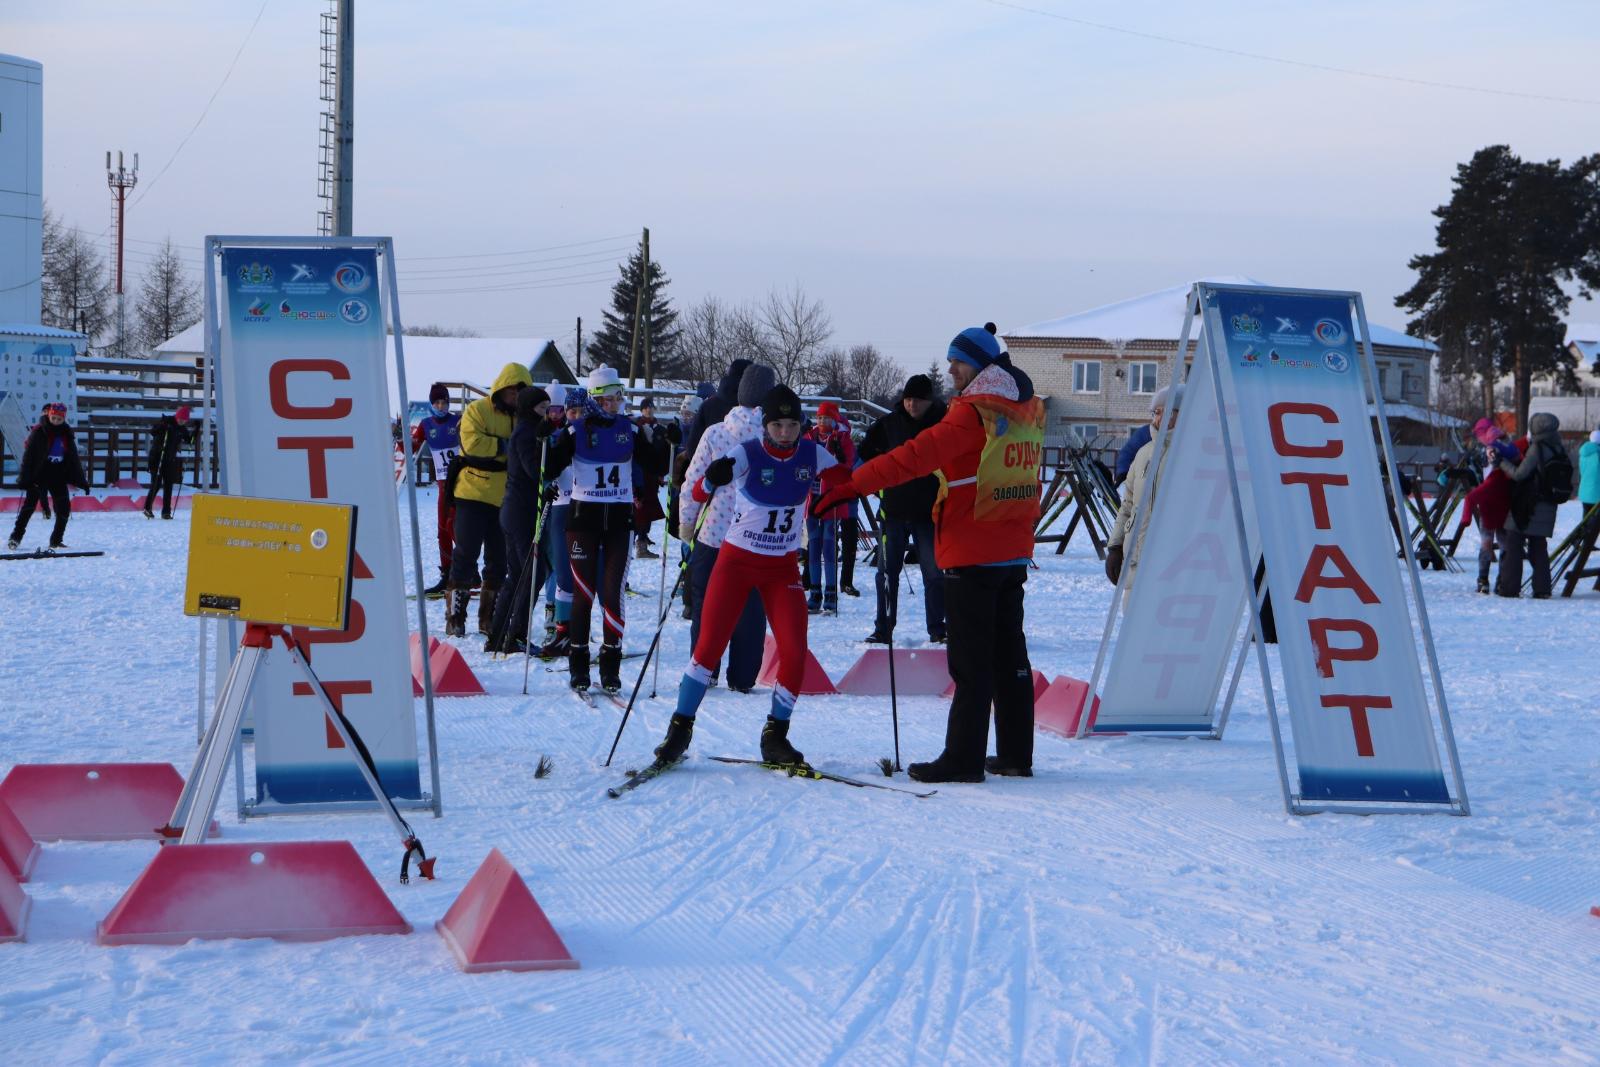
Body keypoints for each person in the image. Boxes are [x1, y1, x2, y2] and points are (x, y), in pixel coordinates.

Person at [813, 327, 1045, 783]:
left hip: (971, 549)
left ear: (980, 365)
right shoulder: (1026, 408)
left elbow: (909, 459)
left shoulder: (971, 414)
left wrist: (851, 485)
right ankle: (1017, 754)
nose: (951, 369)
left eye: (958, 361)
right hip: (1011, 549)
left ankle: (962, 759)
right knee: (1010, 657)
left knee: (971, 661)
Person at [652, 384, 842, 767]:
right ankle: (679, 730)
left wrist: (865, 487)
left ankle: (776, 735)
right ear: (765, 425)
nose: (785, 433)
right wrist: (713, 477)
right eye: (777, 425)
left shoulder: (811, 453)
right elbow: (700, 489)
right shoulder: (748, 452)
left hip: (782, 568)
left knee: (794, 650)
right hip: (736, 563)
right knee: (707, 649)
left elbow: (848, 480)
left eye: (791, 425)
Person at [545, 366, 669, 693]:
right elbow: (550, 465)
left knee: (611, 594)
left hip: (618, 522)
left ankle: (611, 665)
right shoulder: (577, 431)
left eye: (618, 398)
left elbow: (656, 466)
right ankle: (579, 665)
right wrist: (547, 453)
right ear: (595, 399)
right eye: (608, 399)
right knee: (583, 594)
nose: (614, 405)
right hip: (582, 521)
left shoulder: (628, 430)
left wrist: (665, 443)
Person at [679, 362, 779, 692]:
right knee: (751, 608)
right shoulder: (773, 438)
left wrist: (686, 523)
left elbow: (693, 482)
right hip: (756, 539)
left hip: (714, 534)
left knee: (708, 603)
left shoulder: (716, 433)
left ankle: (704, 668)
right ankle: (743, 674)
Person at [859, 374, 947, 644]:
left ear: (929, 401)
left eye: (918, 400)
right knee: (886, 574)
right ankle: (883, 628)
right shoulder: (889, 424)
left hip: (928, 514)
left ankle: (938, 628)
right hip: (893, 511)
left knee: (933, 573)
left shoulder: (943, 425)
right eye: (908, 399)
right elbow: (865, 453)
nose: (912, 405)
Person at [446, 363, 531, 637]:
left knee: (499, 561)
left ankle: (489, 619)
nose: (515, 398)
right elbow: (472, 444)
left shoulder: (525, 417)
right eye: (511, 392)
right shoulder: (477, 410)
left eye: (520, 393)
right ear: (501, 389)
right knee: (465, 555)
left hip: (506, 497)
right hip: (471, 492)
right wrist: (506, 447)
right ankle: (455, 617)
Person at [485, 385, 552, 653]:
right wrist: (544, 446)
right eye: (541, 409)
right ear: (528, 409)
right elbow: (534, 469)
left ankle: (498, 634)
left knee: (518, 573)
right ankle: (515, 634)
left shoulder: (528, 431)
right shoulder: (526, 433)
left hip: (514, 508)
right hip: (520, 510)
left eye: (548, 409)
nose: (545, 414)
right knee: (532, 572)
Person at [1105, 384, 1182, 593]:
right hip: (1136, 564)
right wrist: (1115, 547)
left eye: (1164, 412)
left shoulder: (1192, 457)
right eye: (1155, 412)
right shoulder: (1143, 454)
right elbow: (1128, 506)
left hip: (1174, 571)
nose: (1158, 418)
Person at [1497, 412, 1569, 598]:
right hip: (1549, 504)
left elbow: (1519, 474)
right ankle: (1543, 589)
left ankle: (1509, 588)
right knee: (1539, 546)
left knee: (1513, 541)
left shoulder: (1537, 448)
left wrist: (1501, 463)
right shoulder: (1559, 447)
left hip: (1528, 504)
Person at [537, 387, 586, 658]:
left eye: (581, 411)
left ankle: (580, 629)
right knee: (561, 570)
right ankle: (561, 628)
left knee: (585, 572)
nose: (576, 416)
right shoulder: (557, 436)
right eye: (572, 411)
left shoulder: (592, 435)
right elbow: (546, 468)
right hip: (560, 507)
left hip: (583, 507)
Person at [8, 403, 89, 552]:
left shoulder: (66, 433)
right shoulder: (39, 431)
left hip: (57, 473)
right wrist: (24, 478)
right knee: (29, 507)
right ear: (49, 415)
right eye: (54, 418)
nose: (56, 421)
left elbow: (73, 458)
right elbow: (28, 456)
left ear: (63, 418)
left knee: (64, 508)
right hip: (39, 473)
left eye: (59, 419)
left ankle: (56, 540)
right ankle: (15, 538)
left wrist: (81, 481)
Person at [804, 401, 857, 614]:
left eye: (826, 417)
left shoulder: (841, 438)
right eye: (819, 417)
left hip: (831, 499)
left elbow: (847, 466)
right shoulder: (810, 437)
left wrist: (839, 457)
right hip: (812, 499)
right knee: (813, 546)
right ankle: (815, 591)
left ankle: (831, 593)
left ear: (834, 419)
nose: (822, 421)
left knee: (829, 546)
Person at [411, 383, 462, 597]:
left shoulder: (457, 420)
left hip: (461, 483)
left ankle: (467, 570)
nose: (441, 405)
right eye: (437, 402)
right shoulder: (425, 424)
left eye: (444, 402)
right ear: (432, 404)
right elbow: (410, 445)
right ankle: (447, 574)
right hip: (442, 485)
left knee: (457, 527)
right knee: (442, 529)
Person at [1460, 418, 1517, 594]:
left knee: (1486, 543)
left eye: (1478, 434)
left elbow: (1491, 472)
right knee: (1504, 544)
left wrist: (1466, 518)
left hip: (1489, 500)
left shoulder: (1491, 447)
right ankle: (1502, 580)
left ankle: (1483, 580)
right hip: (1505, 500)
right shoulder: (1506, 443)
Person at [143, 405, 196, 519]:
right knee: (156, 484)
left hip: (170, 459)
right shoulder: (167, 421)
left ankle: (166, 512)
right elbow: (153, 431)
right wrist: (163, 426)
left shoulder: (181, 428)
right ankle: (147, 508)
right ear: (177, 417)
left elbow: (189, 440)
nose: (182, 422)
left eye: (184, 421)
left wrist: (195, 431)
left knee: (168, 485)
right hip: (157, 457)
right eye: (181, 420)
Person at [632, 395, 666, 559]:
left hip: (652, 474)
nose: (649, 410)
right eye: (646, 407)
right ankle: (638, 543)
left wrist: (660, 473)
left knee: (648, 511)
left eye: (651, 407)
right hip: (639, 474)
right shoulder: (635, 427)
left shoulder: (659, 429)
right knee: (639, 511)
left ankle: (642, 540)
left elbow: (662, 453)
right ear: (641, 410)